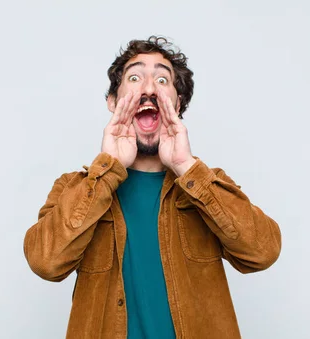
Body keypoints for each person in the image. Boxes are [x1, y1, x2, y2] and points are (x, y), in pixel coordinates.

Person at [23, 36, 282, 339]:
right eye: (134, 77)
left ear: (178, 103)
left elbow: (262, 252)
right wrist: (107, 169)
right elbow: (45, 262)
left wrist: (186, 166)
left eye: (162, 79)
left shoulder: (207, 185)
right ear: (113, 101)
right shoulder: (76, 188)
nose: (148, 88)